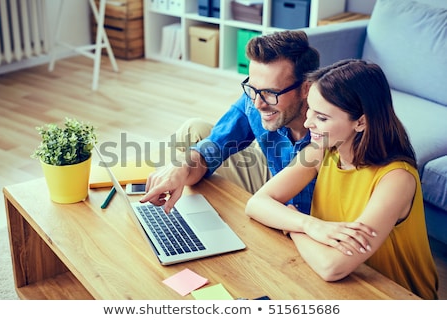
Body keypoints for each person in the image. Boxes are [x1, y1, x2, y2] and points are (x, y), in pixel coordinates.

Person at [245, 59, 439, 299]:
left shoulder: (396, 179)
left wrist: (292, 223)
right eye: (310, 110)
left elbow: (333, 267)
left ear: (361, 122)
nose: (307, 123)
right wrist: (309, 225)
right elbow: (256, 204)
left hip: (389, 294)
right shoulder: (322, 150)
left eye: (322, 118)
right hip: (339, 282)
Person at [141, 30, 320, 215]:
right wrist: (182, 166)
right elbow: (215, 146)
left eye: (271, 93)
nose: (258, 104)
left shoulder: (332, 122)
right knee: (194, 131)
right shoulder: (254, 101)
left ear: (306, 88)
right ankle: (172, 200)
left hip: (316, 211)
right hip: (275, 178)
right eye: (253, 89)